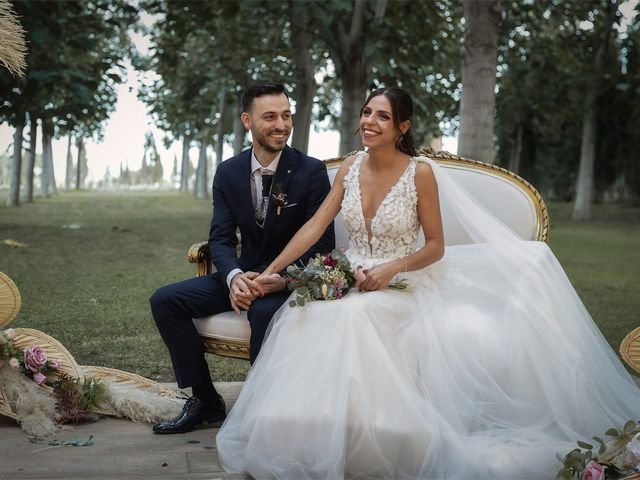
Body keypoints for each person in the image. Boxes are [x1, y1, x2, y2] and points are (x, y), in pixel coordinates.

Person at [215, 87, 640, 479]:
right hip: (351, 275)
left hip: (406, 278)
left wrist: (392, 268)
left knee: (356, 318)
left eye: (382, 117)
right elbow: (314, 226)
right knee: (304, 316)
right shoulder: (350, 165)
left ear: (402, 128)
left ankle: (386, 440)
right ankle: (314, 438)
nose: (369, 122)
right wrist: (273, 271)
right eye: (366, 113)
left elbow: (435, 246)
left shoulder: (420, 173)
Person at [149, 81, 335, 434]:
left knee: (264, 313)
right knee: (165, 300)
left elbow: (323, 243)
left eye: (286, 115)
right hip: (242, 276)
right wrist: (234, 278)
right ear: (248, 121)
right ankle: (205, 400)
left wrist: (282, 278)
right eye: (270, 117)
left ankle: (265, 407)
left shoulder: (311, 172)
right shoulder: (228, 172)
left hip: (287, 280)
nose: (281, 124)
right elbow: (220, 238)